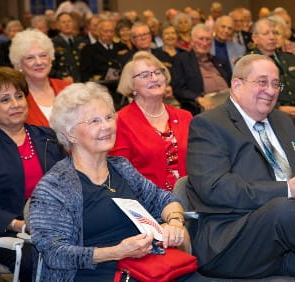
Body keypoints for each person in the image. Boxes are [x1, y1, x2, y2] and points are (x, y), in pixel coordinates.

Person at [29, 82, 192, 281]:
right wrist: (117, 252)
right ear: (70, 134)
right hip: (94, 274)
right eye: (94, 121)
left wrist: (174, 222)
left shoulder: (121, 167)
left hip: (146, 268)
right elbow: (54, 253)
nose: (106, 126)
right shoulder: (54, 186)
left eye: (108, 117)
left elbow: (163, 198)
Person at [186, 54, 295, 278]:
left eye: (276, 84)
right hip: (231, 241)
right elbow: (215, 188)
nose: (272, 90)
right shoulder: (208, 125)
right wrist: (287, 189)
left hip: (282, 243)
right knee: (283, 209)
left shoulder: (283, 122)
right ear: (237, 85)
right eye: (262, 82)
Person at [0, 67, 66, 281]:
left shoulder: (47, 137)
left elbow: (69, 183)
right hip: (6, 232)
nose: (16, 104)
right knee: (42, 258)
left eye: (19, 96)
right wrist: (17, 224)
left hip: (57, 224)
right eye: (5, 100)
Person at [110, 51, 192, 191]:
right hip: (147, 202)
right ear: (132, 85)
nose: (154, 78)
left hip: (189, 199)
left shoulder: (185, 116)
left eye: (158, 72)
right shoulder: (120, 121)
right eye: (145, 75)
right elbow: (120, 175)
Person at [9, 29, 71, 127]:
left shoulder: (68, 89)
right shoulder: (13, 98)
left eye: (43, 55)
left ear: (51, 59)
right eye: (30, 58)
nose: (38, 62)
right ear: (19, 64)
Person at [171, 24, 231, 115]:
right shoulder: (181, 60)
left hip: (227, 101)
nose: (205, 43)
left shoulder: (220, 61)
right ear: (191, 41)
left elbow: (232, 82)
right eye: (201, 39)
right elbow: (178, 89)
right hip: (202, 106)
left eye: (208, 39)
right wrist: (198, 99)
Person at [250, 18, 295, 120]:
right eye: (266, 33)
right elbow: (249, 96)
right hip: (271, 114)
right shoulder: (249, 63)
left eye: (275, 33)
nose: (272, 37)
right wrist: (278, 108)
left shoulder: (289, 58)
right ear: (255, 38)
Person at [50, 12, 86, 83]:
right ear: (58, 25)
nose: (67, 24)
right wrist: (62, 76)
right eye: (63, 22)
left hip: (82, 82)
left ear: (73, 24)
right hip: (63, 83)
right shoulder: (52, 43)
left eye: (69, 21)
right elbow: (49, 68)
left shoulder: (80, 41)